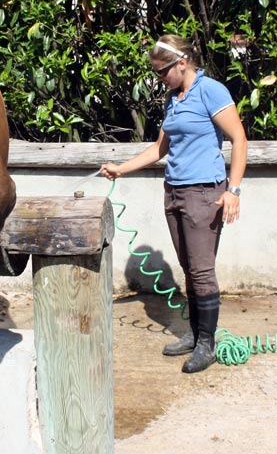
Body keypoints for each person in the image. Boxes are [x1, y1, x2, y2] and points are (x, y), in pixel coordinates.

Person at [100, 34, 248, 373]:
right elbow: (159, 149)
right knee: (189, 269)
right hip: (175, 192)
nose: (160, 79)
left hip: (204, 193)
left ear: (182, 63)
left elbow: (239, 137)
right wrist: (120, 169)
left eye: (163, 72)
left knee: (201, 270)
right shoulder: (174, 99)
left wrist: (233, 191)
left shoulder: (211, 91)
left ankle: (207, 344)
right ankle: (195, 336)